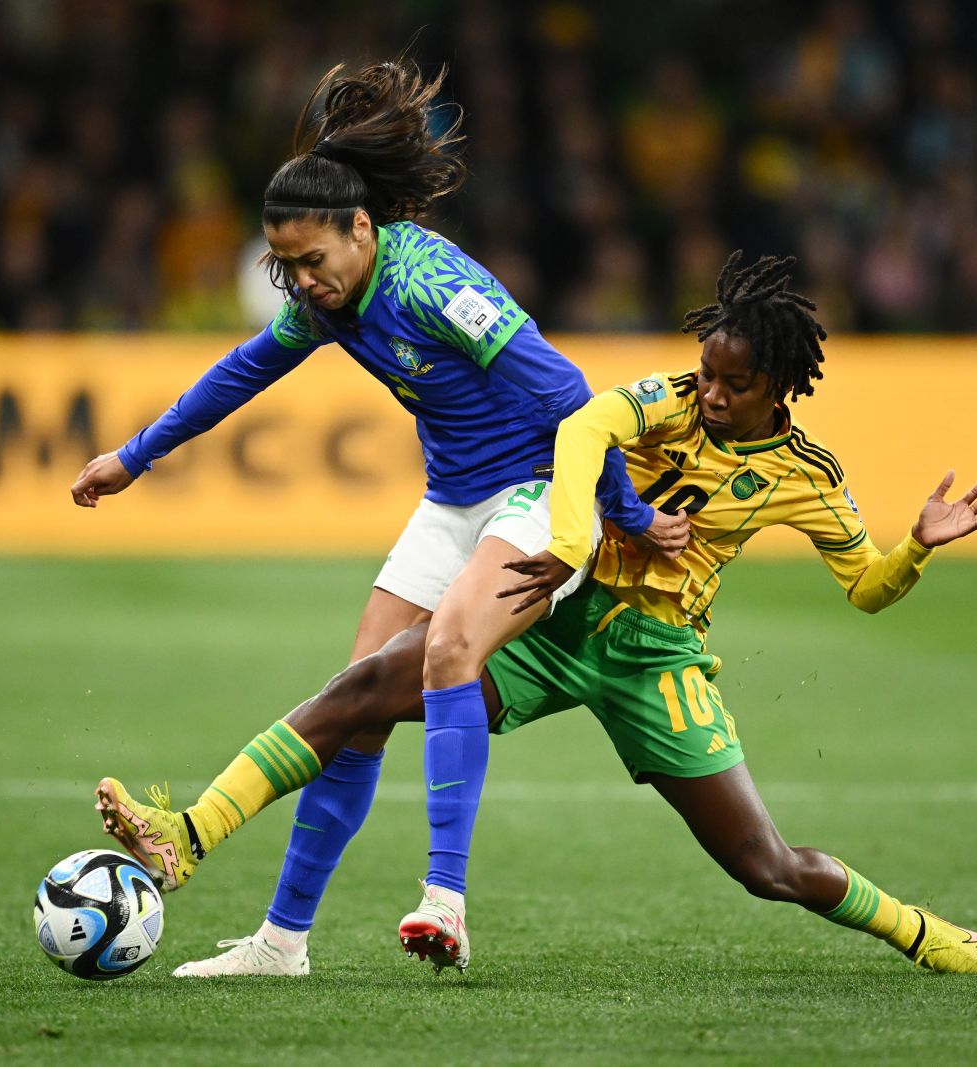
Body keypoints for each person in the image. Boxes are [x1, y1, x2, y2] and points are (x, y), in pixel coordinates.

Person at [94, 252, 977, 978]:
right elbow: (583, 426)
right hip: (556, 613)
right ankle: (191, 835)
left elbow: (868, 586)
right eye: (707, 373)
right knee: (366, 687)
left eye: (733, 384)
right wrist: (573, 538)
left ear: (779, 387)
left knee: (765, 866)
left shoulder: (807, 476)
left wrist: (919, 545)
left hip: (658, 659)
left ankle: (920, 929)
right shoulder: (669, 401)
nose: (712, 394)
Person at [71, 57, 686, 976]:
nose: (303, 283)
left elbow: (568, 392)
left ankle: (446, 901)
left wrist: (620, 511)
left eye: (313, 261)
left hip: (535, 494)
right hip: (452, 501)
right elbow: (239, 371)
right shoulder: (328, 302)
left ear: (362, 229)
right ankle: (281, 942)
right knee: (358, 701)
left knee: (446, 653)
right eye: (284, 266)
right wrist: (135, 455)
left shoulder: (432, 285)